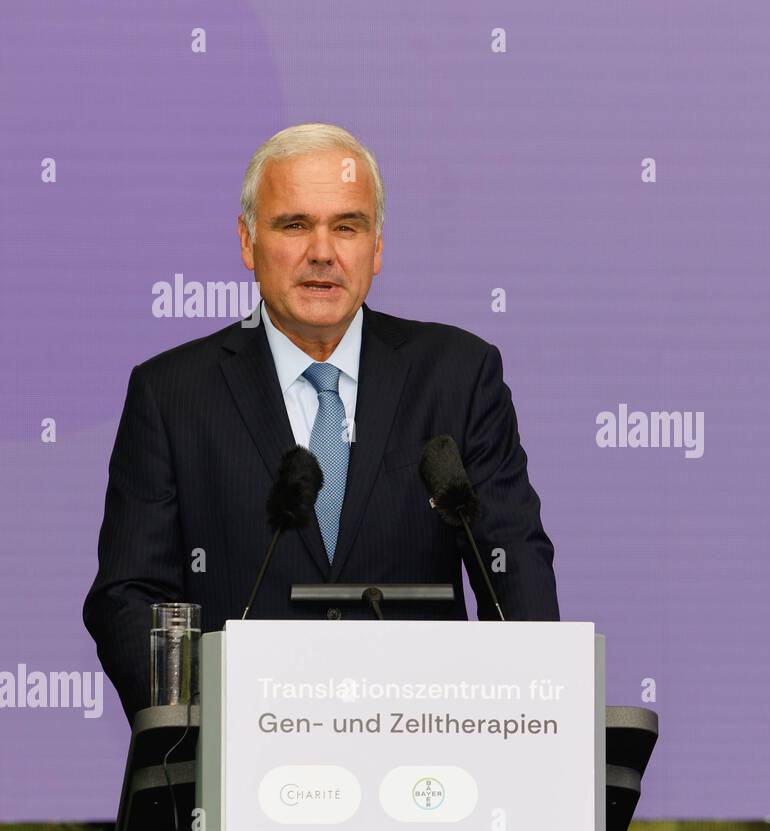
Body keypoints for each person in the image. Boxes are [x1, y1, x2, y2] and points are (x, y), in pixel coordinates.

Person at [83, 123, 560, 723]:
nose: (322, 252)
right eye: (294, 225)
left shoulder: (459, 377)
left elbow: (514, 572)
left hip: (426, 764)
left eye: (346, 226)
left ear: (377, 247)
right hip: (241, 760)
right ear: (247, 242)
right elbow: (129, 598)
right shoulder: (171, 394)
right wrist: (206, 731)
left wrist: (525, 721)